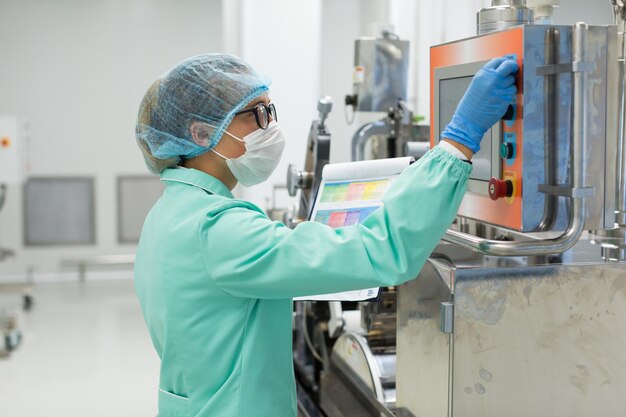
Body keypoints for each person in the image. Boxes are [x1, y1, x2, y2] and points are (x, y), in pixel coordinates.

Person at [134, 53, 518, 417]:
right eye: (258, 114)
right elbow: (382, 251)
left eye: (272, 111)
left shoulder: (169, 213)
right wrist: (458, 142)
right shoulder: (217, 228)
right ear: (202, 132)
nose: (271, 127)